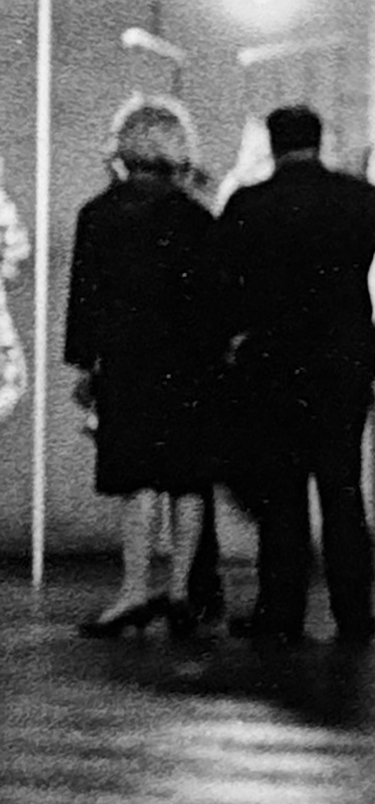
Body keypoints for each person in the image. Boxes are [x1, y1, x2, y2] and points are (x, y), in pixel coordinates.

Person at [210, 104, 375, 645]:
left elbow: (218, 283)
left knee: (281, 495)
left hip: (272, 364)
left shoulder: (248, 204)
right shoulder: (358, 198)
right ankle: (354, 615)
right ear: (320, 141)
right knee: (342, 489)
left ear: (273, 144)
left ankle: (280, 612)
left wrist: (235, 337)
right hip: (342, 364)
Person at [62, 96, 223, 637]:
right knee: (187, 479)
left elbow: (85, 300)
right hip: (190, 363)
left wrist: (85, 364)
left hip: (127, 362)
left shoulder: (98, 214)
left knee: (136, 479)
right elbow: (214, 300)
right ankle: (180, 593)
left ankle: (133, 591)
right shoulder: (195, 217)